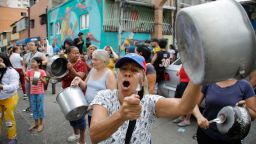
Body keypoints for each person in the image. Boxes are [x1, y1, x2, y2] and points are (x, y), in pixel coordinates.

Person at [89, 53, 202, 144]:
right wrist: (121, 115)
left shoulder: (148, 102)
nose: (128, 73)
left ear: (142, 79)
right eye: (124, 69)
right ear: (117, 75)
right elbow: (94, 136)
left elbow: (184, 107)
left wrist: (197, 76)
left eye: (134, 70)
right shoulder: (104, 96)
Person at [193, 79, 256, 144]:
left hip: (231, 139)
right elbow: (193, 104)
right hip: (206, 134)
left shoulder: (244, 85)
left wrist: (245, 109)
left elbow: (254, 115)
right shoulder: (209, 80)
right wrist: (199, 117)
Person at [71, 49, 117, 126]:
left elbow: (112, 97)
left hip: (101, 113)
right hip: (89, 111)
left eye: (95, 59)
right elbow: (85, 86)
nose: (92, 62)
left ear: (104, 60)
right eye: (92, 59)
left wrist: (94, 105)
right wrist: (79, 80)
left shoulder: (109, 74)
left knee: (99, 135)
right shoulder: (93, 70)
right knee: (92, 132)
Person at [61, 46, 87, 144]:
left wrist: (71, 69)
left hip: (78, 94)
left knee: (80, 116)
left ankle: (82, 140)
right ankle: (76, 134)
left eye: (78, 53)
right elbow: (60, 77)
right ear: (68, 54)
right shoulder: (64, 64)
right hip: (67, 92)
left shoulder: (81, 64)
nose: (76, 54)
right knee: (70, 115)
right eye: (74, 53)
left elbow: (80, 76)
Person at [0, 53, 19, 144]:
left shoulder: (12, 71)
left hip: (10, 98)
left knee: (8, 118)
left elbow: (15, 86)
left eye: (0, 60)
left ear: (5, 61)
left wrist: (2, 87)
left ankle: (12, 137)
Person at [23, 41, 47, 112]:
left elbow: (46, 61)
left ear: (36, 46)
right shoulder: (26, 55)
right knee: (28, 91)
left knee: (35, 91)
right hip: (28, 74)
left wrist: (37, 65)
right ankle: (31, 107)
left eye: (32, 45)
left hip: (36, 74)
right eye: (29, 45)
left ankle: (36, 108)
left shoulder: (40, 54)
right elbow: (23, 65)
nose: (30, 46)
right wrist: (24, 72)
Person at [26, 57, 46, 133]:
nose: (32, 63)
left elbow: (45, 82)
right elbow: (28, 80)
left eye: (34, 62)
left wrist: (41, 79)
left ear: (39, 63)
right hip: (32, 93)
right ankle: (36, 123)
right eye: (32, 62)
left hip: (40, 93)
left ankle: (41, 124)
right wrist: (26, 78)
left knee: (40, 108)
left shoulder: (42, 71)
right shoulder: (29, 71)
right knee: (34, 108)